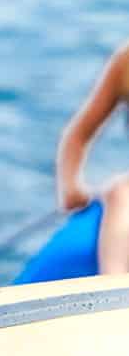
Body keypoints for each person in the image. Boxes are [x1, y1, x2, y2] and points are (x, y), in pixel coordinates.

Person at [55, 42, 129, 275]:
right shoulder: (125, 63)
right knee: (120, 193)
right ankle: (115, 292)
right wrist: (71, 187)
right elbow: (77, 137)